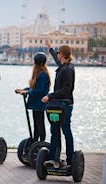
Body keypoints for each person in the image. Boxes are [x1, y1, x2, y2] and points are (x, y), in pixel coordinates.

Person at [42, 40, 75, 168]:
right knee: (54, 130)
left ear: (63, 55)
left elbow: (66, 90)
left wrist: (49, 96)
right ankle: (54, 159)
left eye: (58, 53)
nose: (58, 55)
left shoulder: (68, 70)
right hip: (57, 106)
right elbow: (56, 60)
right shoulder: (63, 66)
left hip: (65, 105)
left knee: (66, 130)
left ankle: (70, 160)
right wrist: (51, 48)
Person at [16, 52, 51, 142]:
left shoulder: (42, 74)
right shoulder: (39, 73)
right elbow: (34, 87)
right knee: (36, 124)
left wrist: (27, 91)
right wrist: (23, 90)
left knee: (40, 124)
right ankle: (35, 142)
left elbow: (39, 90)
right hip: (36, 103)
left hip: (39, 103)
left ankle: (41, 143)